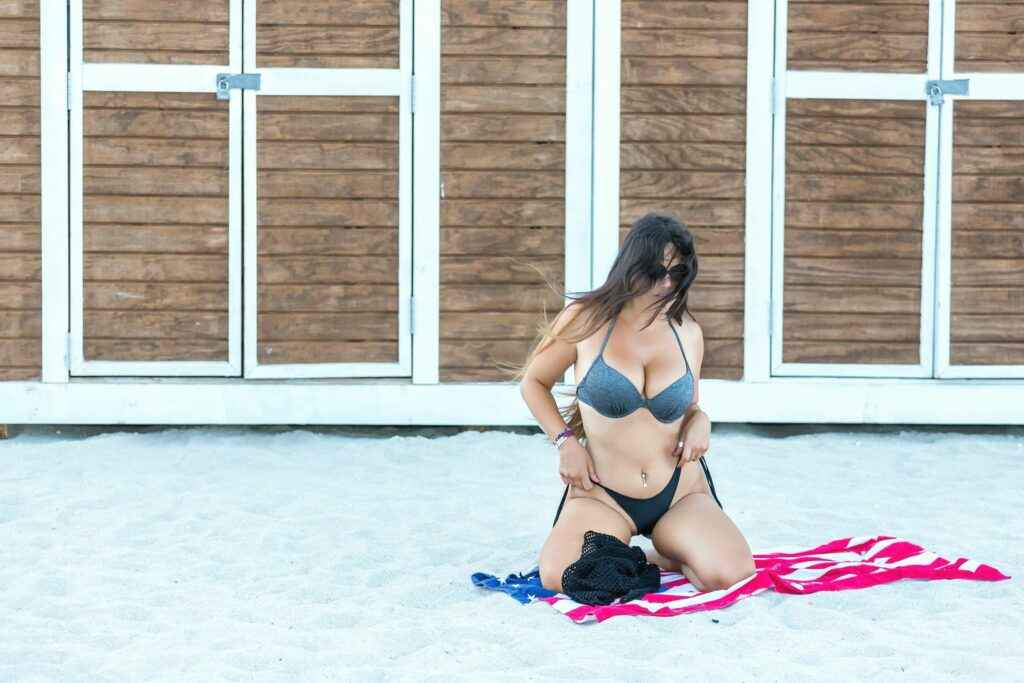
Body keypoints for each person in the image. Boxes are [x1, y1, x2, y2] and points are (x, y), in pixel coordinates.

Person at [513, 212, 756, 594]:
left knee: (731, 575)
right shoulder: (585, 320)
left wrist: (702, 420)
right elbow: (533, 383)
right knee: (560, 576)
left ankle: (659, 552)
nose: (665, 283)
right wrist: (566, 442)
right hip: (603, 494)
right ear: (632, 264)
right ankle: (639, 549)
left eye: (677, 273)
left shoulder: (688, 331)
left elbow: (691, 406)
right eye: (656, 271)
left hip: (678, 490)